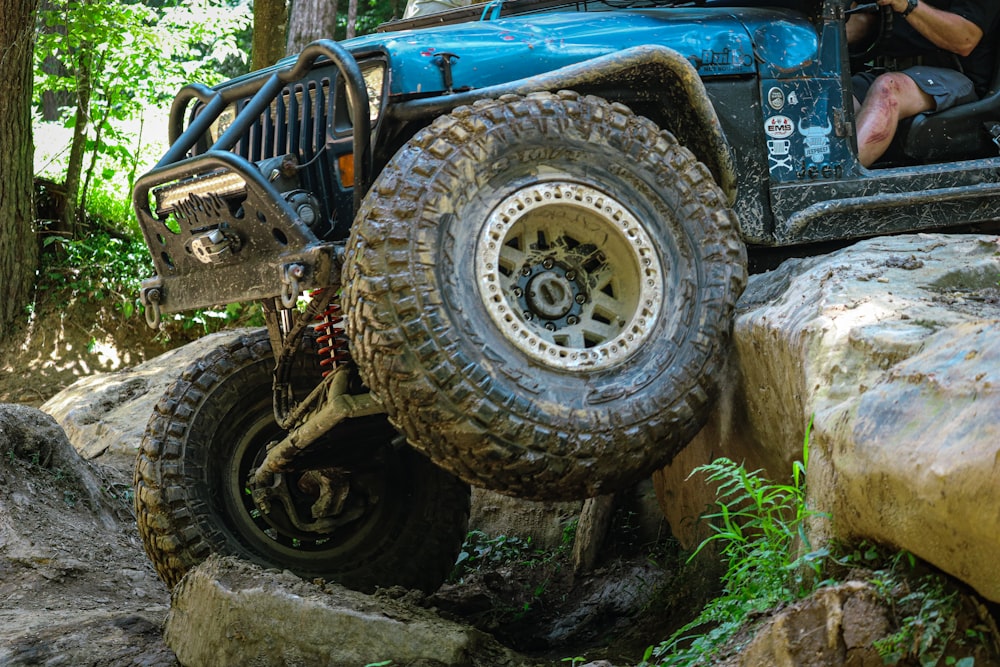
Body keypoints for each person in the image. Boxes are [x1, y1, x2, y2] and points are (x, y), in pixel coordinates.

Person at [848, 0, 1000, 167]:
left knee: (887, 91)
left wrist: (907, 4)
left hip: (956, 79)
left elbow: (965, 39)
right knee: (833, 96)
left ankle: (839, 182)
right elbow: (863, 22)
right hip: (891, 70)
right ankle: (818, 177)